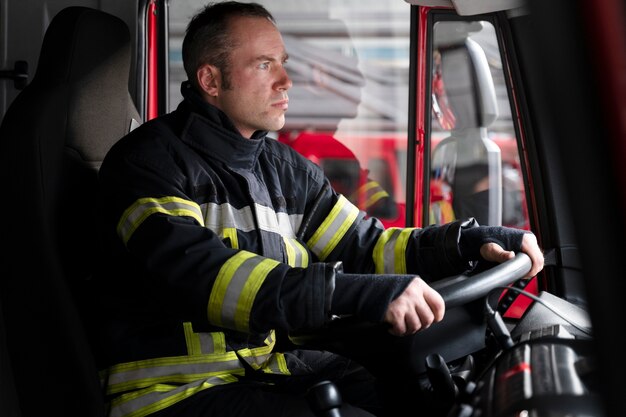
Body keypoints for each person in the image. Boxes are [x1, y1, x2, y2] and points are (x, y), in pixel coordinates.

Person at [93, 2, 544, 417]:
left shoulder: (284, 168)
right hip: (174, 391)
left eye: (283, 64)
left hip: (267, 368)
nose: (286, 82)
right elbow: (208, 278)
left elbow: (370, 247)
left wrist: (469, 240)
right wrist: (355, 293)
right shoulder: (148, 163)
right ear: (211, 80)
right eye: (264, 65)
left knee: (415, 400)